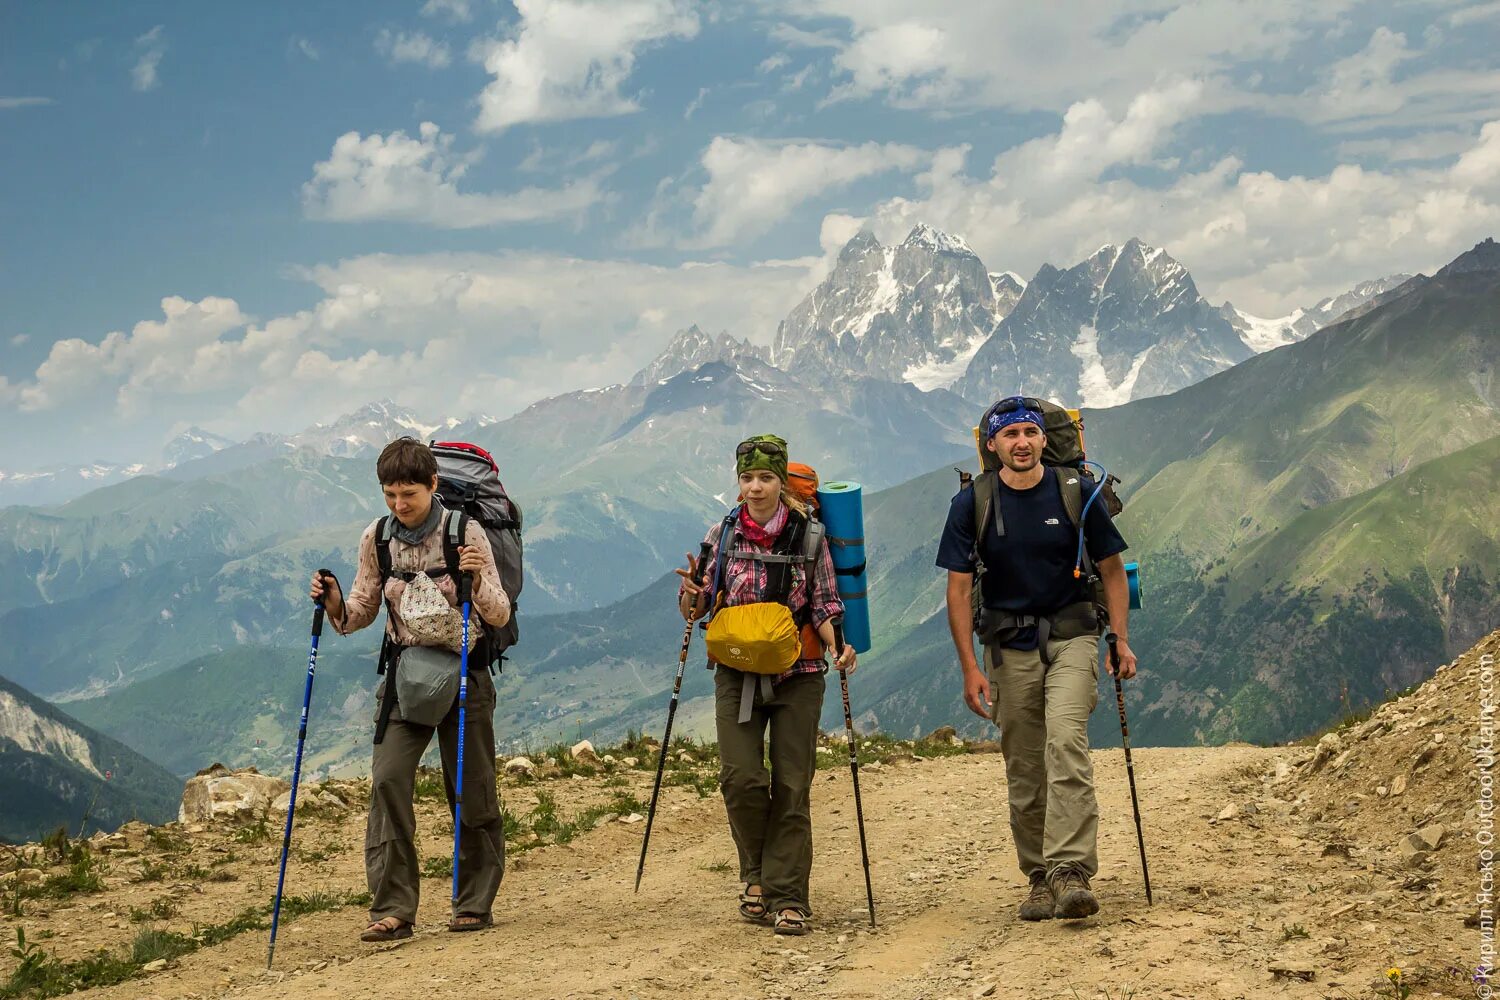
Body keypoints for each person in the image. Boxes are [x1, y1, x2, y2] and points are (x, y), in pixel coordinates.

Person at [935, 398, 1138, 921]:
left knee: (1065, 742)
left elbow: (1113, 573)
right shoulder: (973, 502)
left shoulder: (1078, 493)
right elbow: (958, 593)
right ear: (992, 445)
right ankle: (1039, 877)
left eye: (1030, 432)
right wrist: (970, 668)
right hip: (1006, 645)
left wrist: (1119, 638)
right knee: (1024, 764)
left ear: (1046, 439)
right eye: (1010, 435)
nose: (1021, 442)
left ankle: (1070, 869)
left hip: (1074, 634)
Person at [310, 437, 512, 941]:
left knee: (471, 789)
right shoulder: (377, 539)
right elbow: (361, 612)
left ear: (433, 485)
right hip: (406, 677)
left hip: (465, 676)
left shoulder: (465, 532)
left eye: (409, 494)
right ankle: (395, 907)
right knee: (388, 780)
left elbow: (499, 611)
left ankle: (474, 902)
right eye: (390, 494)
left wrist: (475, 579)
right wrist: (335, 602)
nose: (400, 505)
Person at [676, 434, 855, 936]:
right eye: (747, 478)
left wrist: (838, 643)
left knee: (793, 785)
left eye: (766, 478)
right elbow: (699, 610)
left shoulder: (810, 536)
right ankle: (755, 876)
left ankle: (788, 897)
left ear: (781, 483)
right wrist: (689, 593)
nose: (755, 487)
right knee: (741, 779)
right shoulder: (722, 533)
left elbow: (823, 602)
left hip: (798, 675)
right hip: (736, 671)